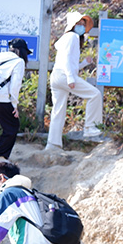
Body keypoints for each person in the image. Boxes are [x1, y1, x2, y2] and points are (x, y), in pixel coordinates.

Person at [46, 11, 102, 151]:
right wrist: (71, 78)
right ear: (72, 25)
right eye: (79, 24)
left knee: (58, 110)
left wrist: (83, 63)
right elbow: (66, 59)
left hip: (57, 76)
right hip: (65, 76)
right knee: (94, 94)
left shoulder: (67, 37)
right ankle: (90, 128)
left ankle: (53, 144)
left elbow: (68, 62)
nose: (82, 26)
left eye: (83, 24)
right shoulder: (73, 37)